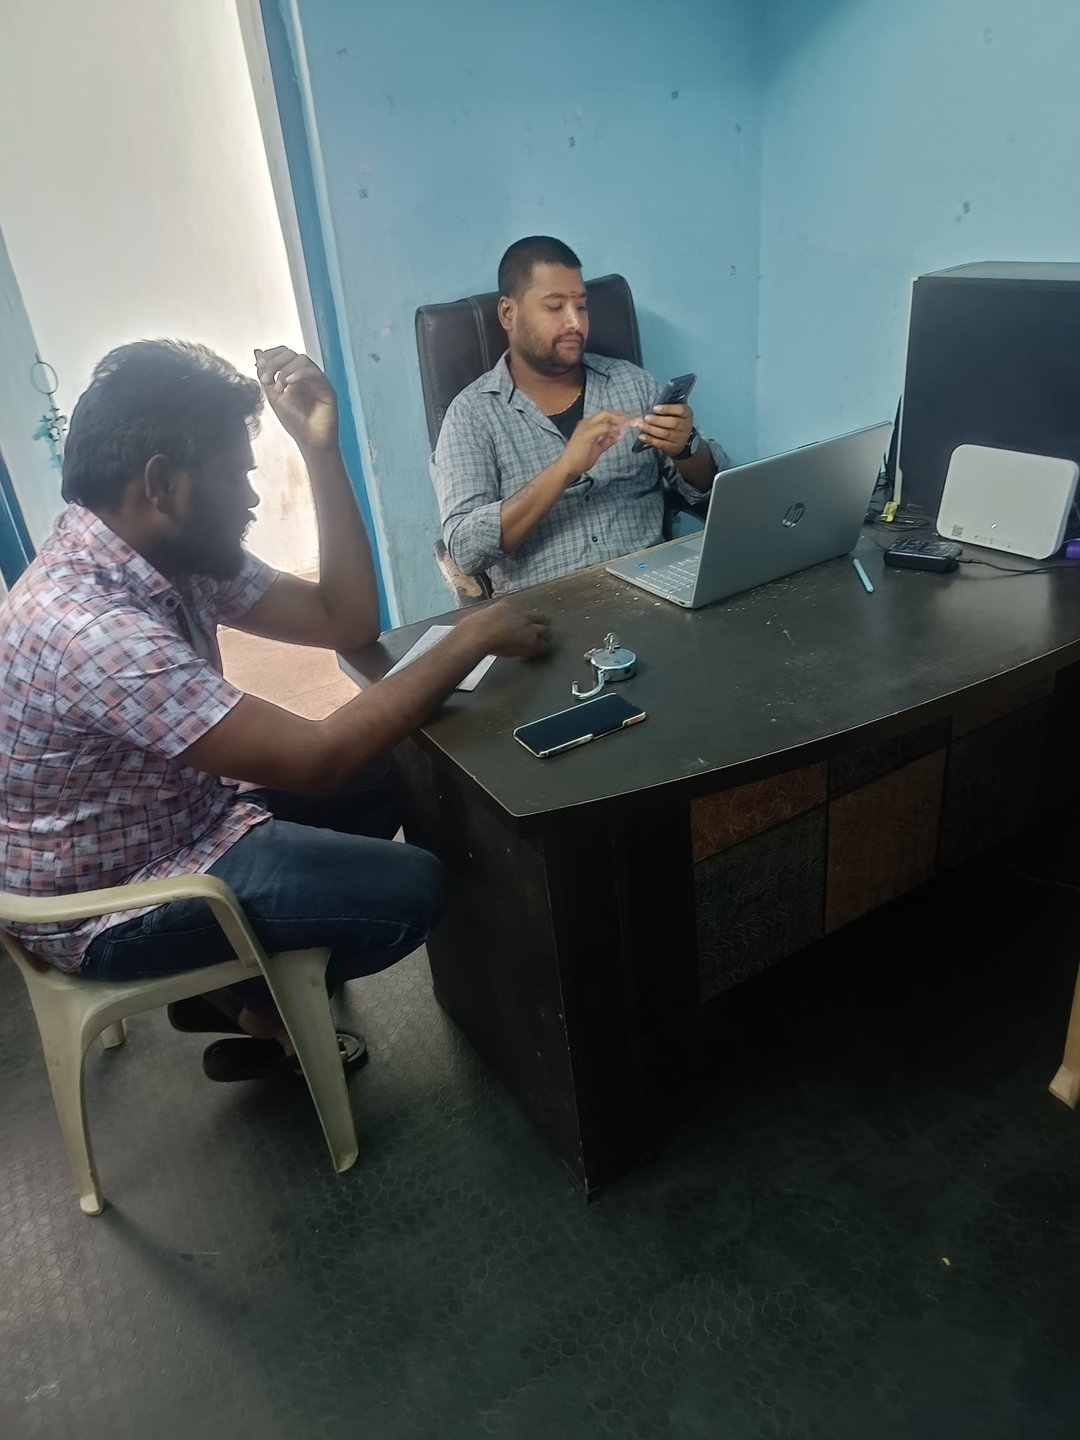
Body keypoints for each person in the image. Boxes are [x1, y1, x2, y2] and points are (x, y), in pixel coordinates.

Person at [0, 340, 549, 1081]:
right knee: (411, 891)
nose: (253, 499)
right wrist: (469, 637)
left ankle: (233, 995)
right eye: (236, 477)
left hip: (183, 818)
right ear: (162, 484)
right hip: (111, 903)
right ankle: (244, 995)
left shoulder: (158, 552)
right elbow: (315, 762)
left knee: (402, 759)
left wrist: (320, 448)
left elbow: (343, 619)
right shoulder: (89, 627)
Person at [431, 235, 729, 595]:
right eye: (555, 307)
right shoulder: (471, 415)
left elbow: (711, 492)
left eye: (582, 306)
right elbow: (465, 550)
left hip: (653, 589)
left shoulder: (631, 383)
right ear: (509, 313)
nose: (575, 322)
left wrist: (686, 447)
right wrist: (564, 468)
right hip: (546, 611)